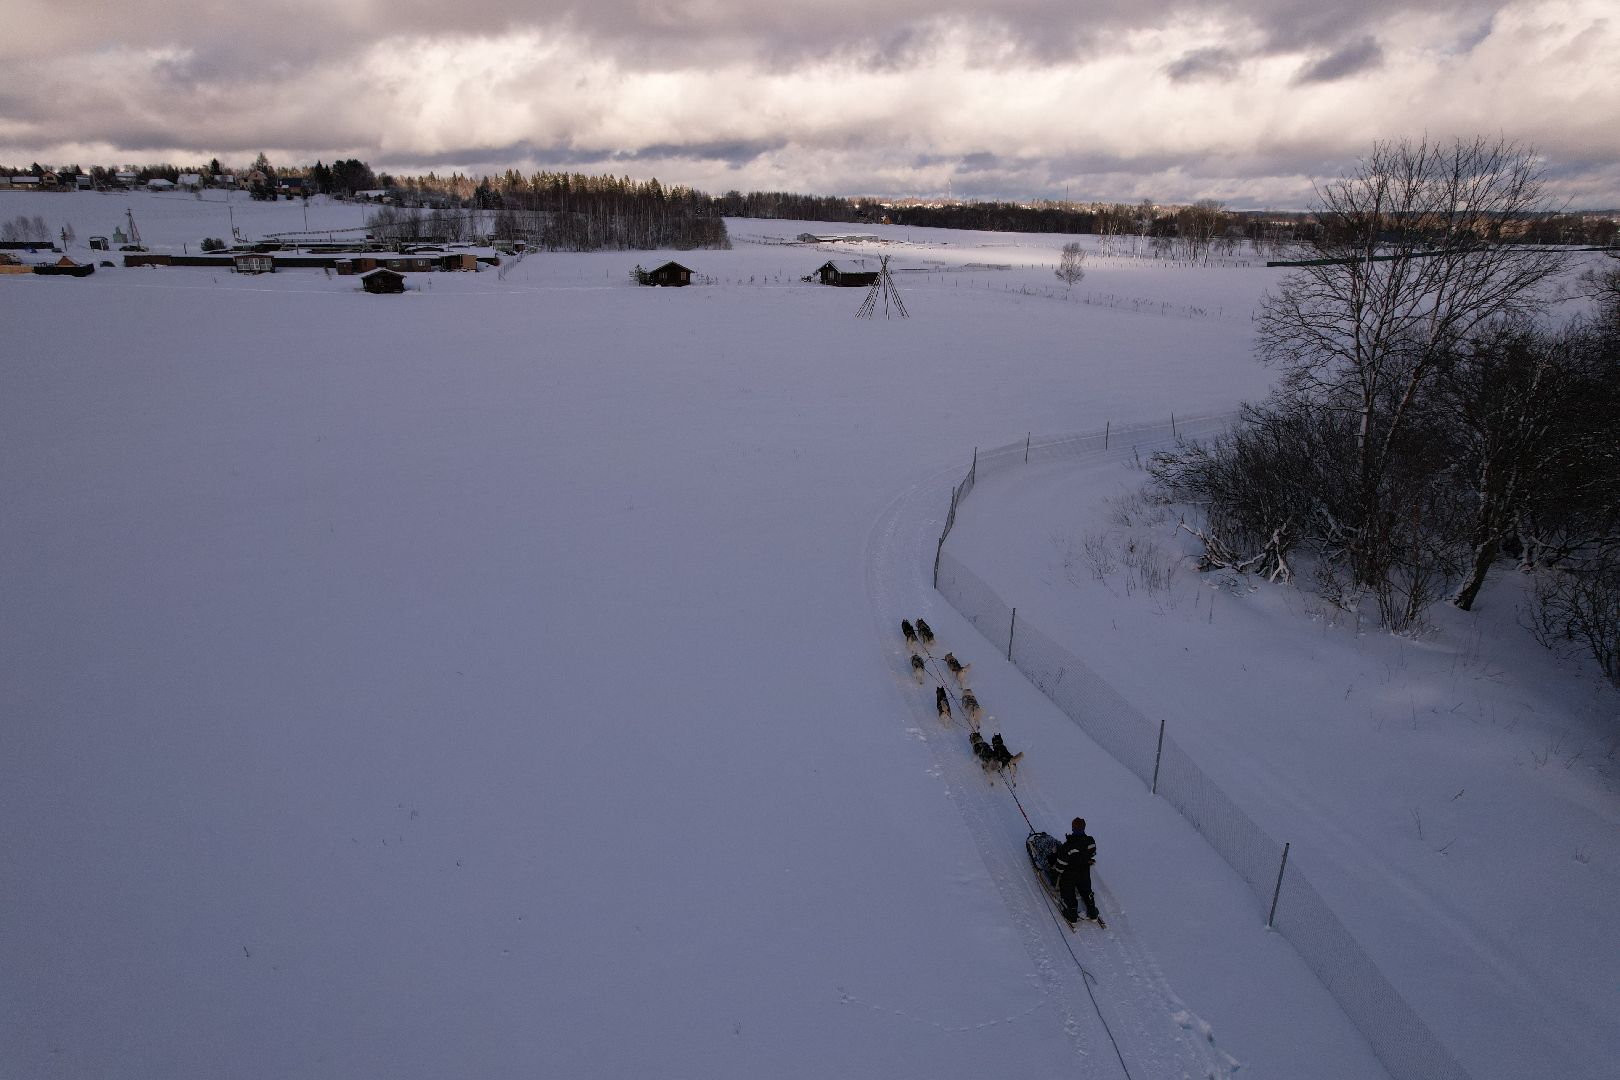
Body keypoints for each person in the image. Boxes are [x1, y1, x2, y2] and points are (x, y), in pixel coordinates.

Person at [1049, 817, 1099, 924]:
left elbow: (1060, 865)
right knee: (1086, 890)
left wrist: (1054, 875)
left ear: (1072, 829)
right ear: (1084, 828)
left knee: (1068, 892)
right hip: (1084, 872)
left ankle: (1072, 915)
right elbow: (1092, 854)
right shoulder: (1091, 841)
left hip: (1069, 875)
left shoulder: (1068, 847)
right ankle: (1093, 912)